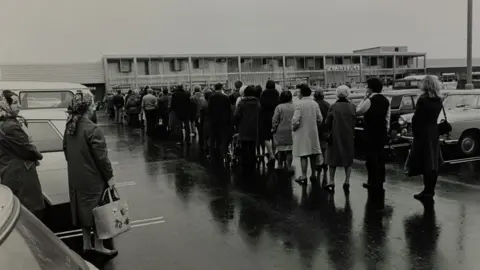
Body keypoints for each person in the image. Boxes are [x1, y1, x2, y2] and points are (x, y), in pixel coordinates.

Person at [63, 92, 117, 257]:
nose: (94, 107)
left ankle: (87, 244)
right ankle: (99, 246)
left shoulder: (70, 127)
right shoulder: (93, 129)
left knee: (82, 211)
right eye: (92, 104)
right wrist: (110, 178)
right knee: (97, 212)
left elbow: (66, 150)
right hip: (93, 178)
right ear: (87, 108)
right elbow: (102, 159)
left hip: (76, 177)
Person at [0, 90, 44, 218]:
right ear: (5, 105)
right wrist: (38, 155)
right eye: (15, 103)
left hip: (10, 172)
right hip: (20, 176)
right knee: (29, 215)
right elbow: (28, 149)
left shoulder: (6, 124)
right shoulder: (10, 127)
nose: (19, 106)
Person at [409, 75, 444, 201]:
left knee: (425, 162)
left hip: (422, 132)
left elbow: (416, 118)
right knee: (433, 162)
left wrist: (414, 132)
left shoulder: (423, 99)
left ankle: (426, 191)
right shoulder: (439, 99)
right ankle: (430, 190)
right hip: (434, 131)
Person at [356, 78, 390, 194]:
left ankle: (372, 181)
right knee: (380, 157)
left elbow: (359, 111)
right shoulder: (386, 100)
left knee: (371, 158)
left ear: (370, 88)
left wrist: (364, 98)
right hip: (382, 132)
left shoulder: (370, 100)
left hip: (371, 132)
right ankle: (380, 180)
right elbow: (387, 118)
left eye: (367, 87)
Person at [324, 85, 357, 193]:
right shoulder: (352, 106)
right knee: (348, 159)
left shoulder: (333, 106)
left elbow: (327, 122)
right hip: (348, 135)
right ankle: (347, 181)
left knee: (332, 158)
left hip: (335, 135)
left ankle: (332, 181)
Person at [292, 84, 323, 185]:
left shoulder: (298, 104)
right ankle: (313, 174)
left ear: (301, 93)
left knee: (303, 154)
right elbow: (320, 119)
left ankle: (304, 176)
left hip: (301, 132)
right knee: (313, 154)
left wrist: (294, 128)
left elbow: (296, 120)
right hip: (313, 132)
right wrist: (315, 126)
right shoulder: (314, 103)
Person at [234, 85, 261, 176]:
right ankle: (252, 162)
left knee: (244, 146)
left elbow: (237, 116)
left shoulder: (242, 103)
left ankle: (245, 164)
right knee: (252, 146)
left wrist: (236, 124)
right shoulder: (258, 103)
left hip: (244, 128)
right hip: (254, 128)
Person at [208, 83, 232, 162]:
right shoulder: (225, 97)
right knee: (223, 138)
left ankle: (212, 155)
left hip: (214, 121)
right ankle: (223, 155)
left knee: (212, 138)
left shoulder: (211, 97)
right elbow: (229, 110)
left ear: (215, 88)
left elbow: (210, 109)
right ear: (221, 88)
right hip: (223, 121)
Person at [272, 90, 295, 173]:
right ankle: (289, 166)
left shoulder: (279, 107)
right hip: (291, 130)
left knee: (280, 149)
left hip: (280, 130)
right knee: (289, 150)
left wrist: (274, 128)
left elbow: (275, 120)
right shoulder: (294, 106)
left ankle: (280, 165)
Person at [259, 80, 280, 166]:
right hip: (275, 116)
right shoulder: (276, 93)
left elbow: (261, 104)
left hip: (265, 117)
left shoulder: (263, 94)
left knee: (266, 137)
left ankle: (271, 155)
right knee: (274, 135)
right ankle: (274, 153)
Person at [314, 89, 331, 184]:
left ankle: (318, 162)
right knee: (324, 146)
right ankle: (325, 162)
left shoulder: (314, 104)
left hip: (315, 127)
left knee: (316, 146)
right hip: (325, 127)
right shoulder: (327, 104)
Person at [199, 89, 213, 153]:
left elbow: (201, 116)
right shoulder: (214, 104)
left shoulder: (203, 105)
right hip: (212, 122)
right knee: (211, 136)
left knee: (205, 135)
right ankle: (211, 147)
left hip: (206, 122)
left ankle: (205, 146)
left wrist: (201, 123)